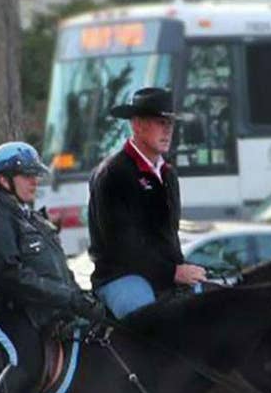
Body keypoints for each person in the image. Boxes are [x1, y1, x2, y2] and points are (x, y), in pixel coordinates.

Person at [0, 141, 106, 393]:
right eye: (26, 175)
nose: (34, 181)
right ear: (4, 180)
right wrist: (67, 298)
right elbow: (12, 278)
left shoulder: (34, 219)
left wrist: (81, 298)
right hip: (1, 312)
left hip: (37, 311)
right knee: (27, 363)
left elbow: (59, 271)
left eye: (34, 175)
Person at [87, 87, 207, 319]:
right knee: (150, 323)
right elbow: (120, 245)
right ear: (137, 125)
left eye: (170, 124)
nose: (167, 131)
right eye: (160, 122)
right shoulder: (112, 173)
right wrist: (172, 272)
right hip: (120, 276)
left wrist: (182, 269)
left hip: (165, 274)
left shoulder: (168, 174)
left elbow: (168, 238)